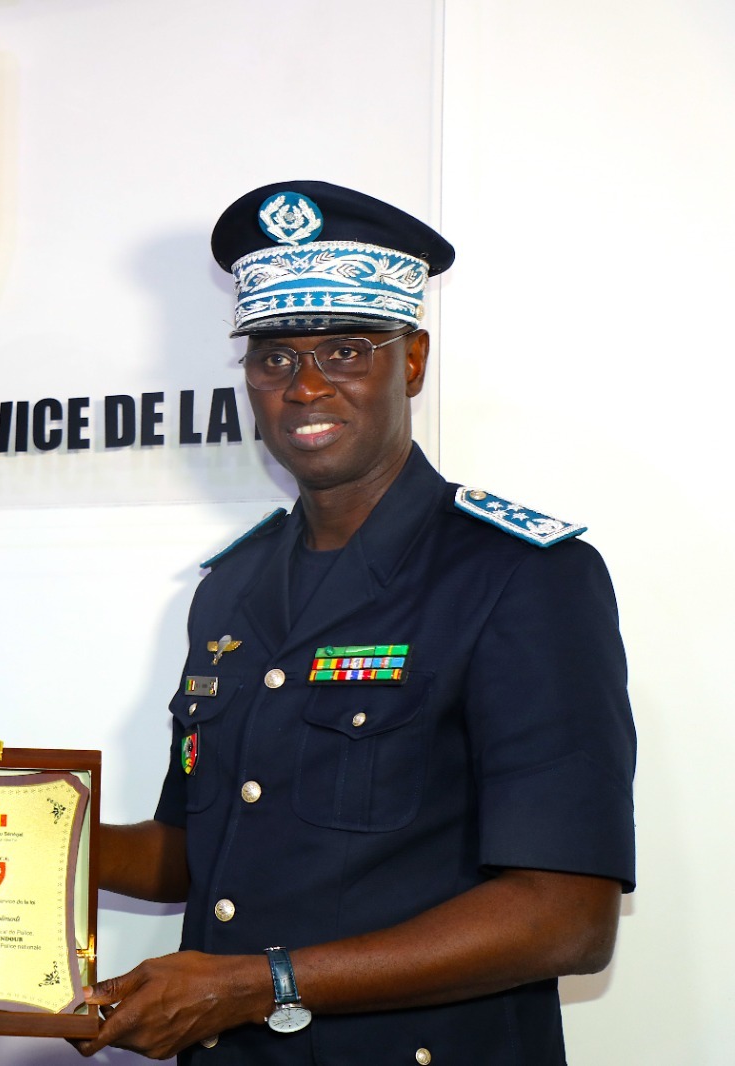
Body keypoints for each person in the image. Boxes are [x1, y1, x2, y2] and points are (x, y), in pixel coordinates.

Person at [74, 182, 635, 1064]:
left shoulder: (523, 577)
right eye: (272, 357)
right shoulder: (230, 588)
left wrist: (260, 984)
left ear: (411, 361)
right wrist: (11, 835)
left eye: (344, 351)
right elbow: (196, 851)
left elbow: (565, 918)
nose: (302, 386)